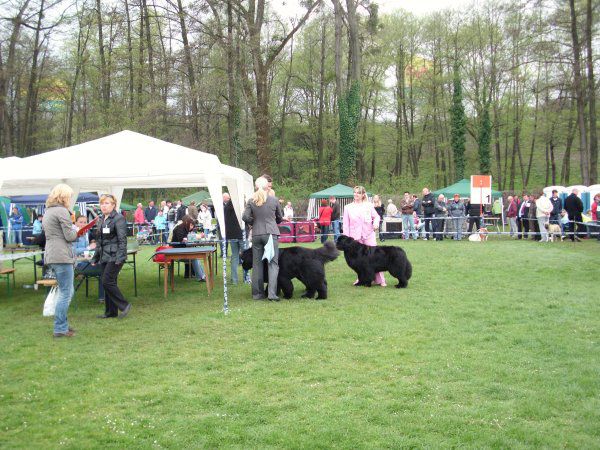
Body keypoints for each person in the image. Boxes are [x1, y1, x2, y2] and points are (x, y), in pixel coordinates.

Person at [43, 184, 79, 337]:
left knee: (66, 291)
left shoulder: (48, 211)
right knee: (66, 292)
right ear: (63, 196)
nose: (70, 199)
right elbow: (69, 236)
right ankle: (60, 328)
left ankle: (62, 324)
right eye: (69, 196)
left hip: (52, 253)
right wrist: (77, 230)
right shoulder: (62, 211)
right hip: (62, 254)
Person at [92, 194, 132, 319]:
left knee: (107, 281)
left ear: (113, 205)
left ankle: (124, 305)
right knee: (107, 283)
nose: (104, 206)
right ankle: (111, 312)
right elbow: (100, 241)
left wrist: (120, 257)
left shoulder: (118, 218)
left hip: (115, 256)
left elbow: (122, 240)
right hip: (104, 255)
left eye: (107, 203)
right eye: (102, 203)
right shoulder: (101, 219)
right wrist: (95, 257)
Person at [243, 176, 282, 300]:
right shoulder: (274, 200)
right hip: (270, 234)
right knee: (272, 264)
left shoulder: (250, 201)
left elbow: (245, 217)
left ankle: (257, 294)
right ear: (267, 187)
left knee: (257, 264)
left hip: (256, 235)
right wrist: (273, 221)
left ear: (256, 187)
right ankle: (271, 294)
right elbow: (280, 217)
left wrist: (253, 222)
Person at [343, 185, 386, 286]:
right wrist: (347, 240)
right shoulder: (348, 207)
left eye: (358, 193)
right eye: (355, 192)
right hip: (355, 238)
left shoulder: (369, 205)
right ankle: (361, 279)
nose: (356, 194)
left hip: (369, 235)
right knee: (358, 261)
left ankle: (381, 280)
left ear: (363, 195)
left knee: (375, 258)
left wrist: (375, 223)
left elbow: (376, 216)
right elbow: (346, 225)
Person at [73, 215, 105, 302]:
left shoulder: (86, 233)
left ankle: (107, 296)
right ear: (75, 223)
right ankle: (103, 297)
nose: (83, 224)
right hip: (78, 264)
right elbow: (73, 250)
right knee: (103, 270)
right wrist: (88, 248)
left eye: (85, 222)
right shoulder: (74, 234)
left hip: (86, 261)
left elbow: (87, 252)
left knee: (106, 265)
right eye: (80, 222)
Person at [171, 215, 206, 282]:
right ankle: (201, 277)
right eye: (191, 225)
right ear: (187, 223)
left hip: (181, 251)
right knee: (194, 258)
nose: (192, 227)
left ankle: (202, 275)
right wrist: (197, 237)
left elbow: (187, 239)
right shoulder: (179, 229)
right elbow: (183, 240)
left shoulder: (183, 228)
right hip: (176, 252)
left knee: (195, 257)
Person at [223, 193, 243, 284]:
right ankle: (246, 278)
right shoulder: (240, 207)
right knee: (245, 255)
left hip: (231, 234)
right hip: (241, 233)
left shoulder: (226, 207)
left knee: (234, 256)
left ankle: (234, 279)